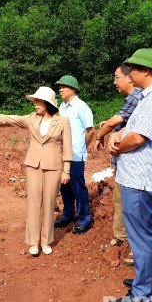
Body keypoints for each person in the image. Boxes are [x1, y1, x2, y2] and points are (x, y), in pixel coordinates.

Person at [0, 86, 73, 256]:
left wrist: (66, 170)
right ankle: (33, 241)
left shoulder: (62, 121)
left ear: (47, 102)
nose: (35, 105)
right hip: (33, 165)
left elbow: (68, 147)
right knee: (33, 202)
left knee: (49, 203)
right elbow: (8, 119)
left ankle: (46, 241)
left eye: (38, 101)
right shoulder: (31, 119)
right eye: (35, 101)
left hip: (54, 166)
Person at [107, 48, 152, 302]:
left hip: (140, 179)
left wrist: (116, 146)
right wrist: (118, 135)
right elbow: (130, 129)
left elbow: (136, 137)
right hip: (140, 177)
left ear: (145, 70)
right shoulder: (149, 97)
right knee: (149, 231)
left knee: (140, 235)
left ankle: (142, 293)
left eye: (132, 68)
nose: (129, 73)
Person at [95, 64, 142, 249]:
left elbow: (118, 121)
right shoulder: (135, 98)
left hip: (130, 160)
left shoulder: (136, 96)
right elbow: (123, 123)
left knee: (127, 199)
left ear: (129, 78)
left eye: (117, 77)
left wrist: (100, 136)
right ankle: (122, 236)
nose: (115, 81)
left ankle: (129, 240)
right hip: (123, 159)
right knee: (119, 197)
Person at [53, 75, 94, 234]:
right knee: (65, 187)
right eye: (59, 87)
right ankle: (68, 214)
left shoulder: (81, 107)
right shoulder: (61, 107)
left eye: (64, 86)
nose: (60, 89)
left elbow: (90, 131)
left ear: (73, 89)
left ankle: (84, 219)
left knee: (78, 188)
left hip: (76, 155)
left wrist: (81, 147)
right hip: (62, 155)